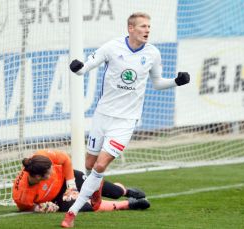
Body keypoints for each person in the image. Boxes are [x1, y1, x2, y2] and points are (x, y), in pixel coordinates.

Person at [61, 12, 190, 227]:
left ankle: (72, 214)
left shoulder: (152, 54)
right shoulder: (112, 47)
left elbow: (157, 83)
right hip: (102, 116)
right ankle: (96, 192)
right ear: (131, 28)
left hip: (126, 121)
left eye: (148, 26)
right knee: (89, 164)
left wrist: (176, 81)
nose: (147, 30)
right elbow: (85, 68)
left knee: (100, 165)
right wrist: (77, 67)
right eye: (142, 26)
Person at [12, 149, 150, 213]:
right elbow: (26, 207)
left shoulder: (41, 157)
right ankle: (128, 205)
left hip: (68, 178)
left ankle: (124, 191)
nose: (53, 171)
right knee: (86, 206)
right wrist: (39, 208)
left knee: (114, 192)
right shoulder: (21, 194)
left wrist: (71, 186)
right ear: (38, 177)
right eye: (49, 172)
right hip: (58, 198)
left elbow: (65, 159)